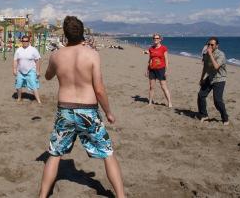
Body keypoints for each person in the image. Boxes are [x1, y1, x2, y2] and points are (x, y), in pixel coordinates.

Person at [39, 16, 124, 198]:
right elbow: (99, 89)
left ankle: (42, 195)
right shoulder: (92, 54)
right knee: (107, 153)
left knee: (54, 153)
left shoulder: (56, 55)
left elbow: (47, 76)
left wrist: (55, 64)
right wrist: (108, 112)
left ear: (65, 34)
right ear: (82, 32)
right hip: (88, 110)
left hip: (65, 110)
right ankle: (121, 196)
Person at [198, 37, 229, 125]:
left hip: (219, 78)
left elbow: (216, 66)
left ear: (217, 46)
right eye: (209, 44)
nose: (210, 46)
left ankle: (225, 118)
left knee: (217, 101)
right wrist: (201, 79)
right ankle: (204, 115)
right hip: (210, 77)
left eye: (212, 45)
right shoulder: (206, 53)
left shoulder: (221, 55)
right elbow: (205, 67)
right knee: (201, 95)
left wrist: (210, 54)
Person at [13, 35, 42, 103]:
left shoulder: (33, 50)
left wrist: (38, 71)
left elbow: (38, 60)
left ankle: (38, 100)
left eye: (26, 41)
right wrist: (14, 69)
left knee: (33, 85)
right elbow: (15, 60)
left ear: (29, 41)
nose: (25, 42)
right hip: (20, 71)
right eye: (23, 41)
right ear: (21, 41)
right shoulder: (18, 50)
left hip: (31, 71)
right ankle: (19, 98)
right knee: (18, 85)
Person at [145, 34, 172, 107]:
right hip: (152, 69)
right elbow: (150, 60)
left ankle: (169, 102)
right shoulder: (151, 48)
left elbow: (166, 60)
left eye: (157, 38)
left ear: (160, 39)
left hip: (161, 69)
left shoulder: (164, 48)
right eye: (154, 38)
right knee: (151, 87)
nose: (155, 39)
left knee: (163, 86)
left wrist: (166, 70)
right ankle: (150, 102)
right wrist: (147, 70)